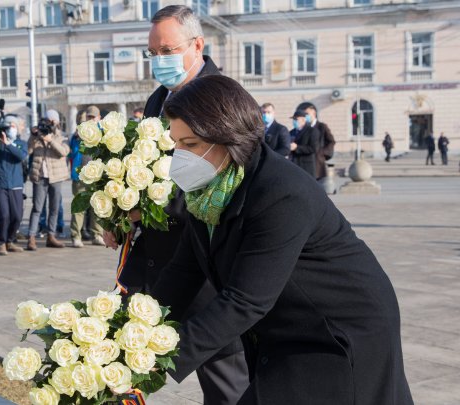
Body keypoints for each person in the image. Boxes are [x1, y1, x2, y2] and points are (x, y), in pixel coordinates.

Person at [153, 74, 414, 404]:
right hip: (288, 326)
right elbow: (182, 273)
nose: (178, 155)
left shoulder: (281, 192)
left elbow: (244, 301)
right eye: (175, 142)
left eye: (189, 144)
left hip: (338, 331)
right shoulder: (207, 193)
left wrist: (153, 364)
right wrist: (127, 327)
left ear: (227, 137)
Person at [115, 6, 249, 404]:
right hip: (154, 260)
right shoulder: (160, 98)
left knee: (225, 381)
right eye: (152, 53)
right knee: (121, 361)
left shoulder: (222, 97)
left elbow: (224, 184)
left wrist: (153, 207)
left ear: (197, 45)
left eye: (167, 50)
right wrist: (119, 209)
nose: (160, 61)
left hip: (205, 264)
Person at [0, 115, 28, 256]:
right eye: (8, 126)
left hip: (16, 184)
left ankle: (10, 240)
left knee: (17, 216)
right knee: (4, 214)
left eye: (13, 126)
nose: (11, 129)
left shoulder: (21, 143)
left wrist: (8, 144)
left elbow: (21, 156)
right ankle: (1, 243)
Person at [27, 110, 70, 250]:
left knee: (54, 207)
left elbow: (63, 152)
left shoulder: (61, 136)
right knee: (37, 208)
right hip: (39, 176)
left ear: (56, 122)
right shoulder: (37, 135)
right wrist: (33, 136)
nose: (49, 123)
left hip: (56, 177)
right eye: (47, 120)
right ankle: (31, 237)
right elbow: (28, 151)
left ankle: (51, 236)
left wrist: (50, 140)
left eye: (52, 120)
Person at [69, 106, 105, 248]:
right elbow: (72, 149)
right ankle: (75, 236)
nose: (91, 119)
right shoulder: (79, 132)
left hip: (98, 175)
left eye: (93, 117)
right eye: (89, 117)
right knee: (79, 206)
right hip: (80, 175)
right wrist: (77, 136)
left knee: (98, 206)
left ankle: (97, 234)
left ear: (99, 118)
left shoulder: (103, 132)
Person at [302, 103, 335, 179]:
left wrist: (322, 153)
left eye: (307, 114)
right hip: (306, 161)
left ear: (314, 114)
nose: (305, 116)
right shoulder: (304, 128)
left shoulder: (322, 126)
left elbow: (331, 141)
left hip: (318, 161)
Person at [289, 110, 320, 179]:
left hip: (306, 167)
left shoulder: (312, 131)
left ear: (303, 120)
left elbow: (313, 148)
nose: (294, 121)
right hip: (294, 165)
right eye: (293, 119)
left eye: (296, 119)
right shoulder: (291, 132)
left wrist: (297, 148)